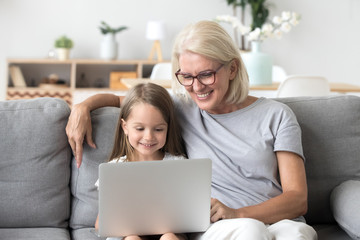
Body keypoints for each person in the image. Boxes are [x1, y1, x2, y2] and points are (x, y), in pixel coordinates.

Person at [66, 20, 317, 239]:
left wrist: (239, 212)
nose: (197, 87)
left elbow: (298, 198)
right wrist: (83, 107)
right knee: (250, 231)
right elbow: (130, 102)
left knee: (298, 234)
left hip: (278, 221)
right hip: (221, 228)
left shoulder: (277, 115)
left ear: (232, 68)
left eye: (206, 74)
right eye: (186, 76)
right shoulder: (183, 107)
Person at [93, 83, 187, 240]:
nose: (149, 137)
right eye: (140, 128)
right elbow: (100, 224)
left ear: (168, 128)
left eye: (158, 129)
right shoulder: (114, 169)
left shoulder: (179, 164)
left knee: (169, 237)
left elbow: (188, 212)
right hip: (127, 235)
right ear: (125, 127)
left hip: (169, 233)